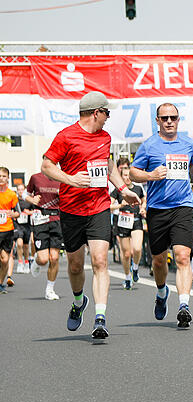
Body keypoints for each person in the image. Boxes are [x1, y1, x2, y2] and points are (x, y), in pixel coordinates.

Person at [41, 91, 140, 339]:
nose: (108, 118)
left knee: (99, 261)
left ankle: (100, 318)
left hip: (99, 207)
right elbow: (47, 165)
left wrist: (123, 189)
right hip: (72, 210)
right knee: (75, 266)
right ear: (96, 112)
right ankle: (78, 303)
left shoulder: (105, 138)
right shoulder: (66, 136)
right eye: (107, 113)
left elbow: (107, 166)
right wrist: (70, 179)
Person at [130, 103, 193, 329]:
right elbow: (133, 173)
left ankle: (183, 305)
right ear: (157, 120)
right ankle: (161, 291)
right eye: (164, 117)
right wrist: (150, 175)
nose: (169, 121)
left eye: (173, 117)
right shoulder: (148, 146)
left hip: (182, 207)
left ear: (178, 119)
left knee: (183, 256)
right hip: (157, 209)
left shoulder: (187, 143)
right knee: (158, 260)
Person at [26, 171, 63, 300]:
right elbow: (26, 195)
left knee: (54, 258)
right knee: (43, 259)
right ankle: (36, 260)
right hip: (40, 219)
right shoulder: (35, 177)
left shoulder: (61, 178)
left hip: (57, 219)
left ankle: (50, 289)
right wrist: (32, 199)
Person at [110, 166, 146, 290]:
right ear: (121, 177)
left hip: (136, 221)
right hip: (123, 223)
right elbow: (109, 206)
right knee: (125, 254)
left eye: (129, 175)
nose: (127, 177)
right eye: (125, 175)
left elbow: (144, 201)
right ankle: (127, 277)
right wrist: (120, 205)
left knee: (136, 249)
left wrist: (143, 208)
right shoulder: (118, 190)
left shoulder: (138, 188)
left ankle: (135, 267)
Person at [0, 168, 19, 293]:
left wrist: (12, 214)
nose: (1, 178)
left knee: (5, 259)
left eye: (4, 176)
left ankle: (1, 283)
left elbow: (18, 213)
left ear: (8, 178)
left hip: (7, 230)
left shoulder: (12, 194)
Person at [12, 183, 33, 276]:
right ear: (17, 191)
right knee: (19, 243)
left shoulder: (28, 200)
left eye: (22, 189)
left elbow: (35, 211)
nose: (20, 191)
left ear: (24, 190)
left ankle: (26, 262)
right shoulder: (15, 200)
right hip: (18, 225)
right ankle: (20, 262)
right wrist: (15, 215)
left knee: (26, 245)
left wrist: (29, 212)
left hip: (27, 225)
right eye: (19, 190)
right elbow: (12, 210)